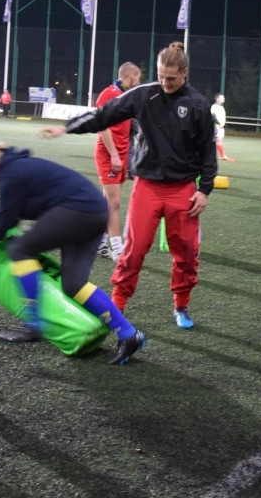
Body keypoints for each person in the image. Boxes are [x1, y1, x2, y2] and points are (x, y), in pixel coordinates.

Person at [40, 42, 216, 330]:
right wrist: (66, 127)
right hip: (147, 187)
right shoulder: (143, 95)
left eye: (171, 78)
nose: (165, 82)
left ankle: (181, 306)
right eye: (160, 76)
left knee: (185, 253)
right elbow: (103, 115)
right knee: (132, 252)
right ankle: (116, 307)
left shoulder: (197, 104)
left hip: (184, 190)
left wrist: (204, 189)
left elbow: (207, 150)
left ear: (185, 72)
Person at [0, 141, 146, 364]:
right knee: (74, 284)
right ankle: (129, 334)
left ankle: (34, 323)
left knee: (20, 249)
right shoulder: (18, 168)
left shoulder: (11, 175)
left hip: (78, 212)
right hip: (95, 214)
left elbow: (1, 228)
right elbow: (10, 215)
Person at [93, 62, 143, 261]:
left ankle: (100, 242)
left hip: (121, 153)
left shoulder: (125, 96)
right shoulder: (109, 93)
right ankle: (117, 248)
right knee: (114, 203)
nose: (138, 81)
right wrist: (114, 154)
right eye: (137, 78)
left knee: (107, 202)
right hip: (109, 154)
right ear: (131, 77)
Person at [211, 93, 235, 161]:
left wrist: (222, 124)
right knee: (216, 141)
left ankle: (222, 155)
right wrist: (219, 123)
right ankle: (222, 155)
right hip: (216, 126)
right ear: (217, 98)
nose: (224, 98)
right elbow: (213, 116)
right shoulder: (214, 106)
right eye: (222, 97)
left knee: (219, 141)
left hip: (221, 127)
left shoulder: (221, 106)